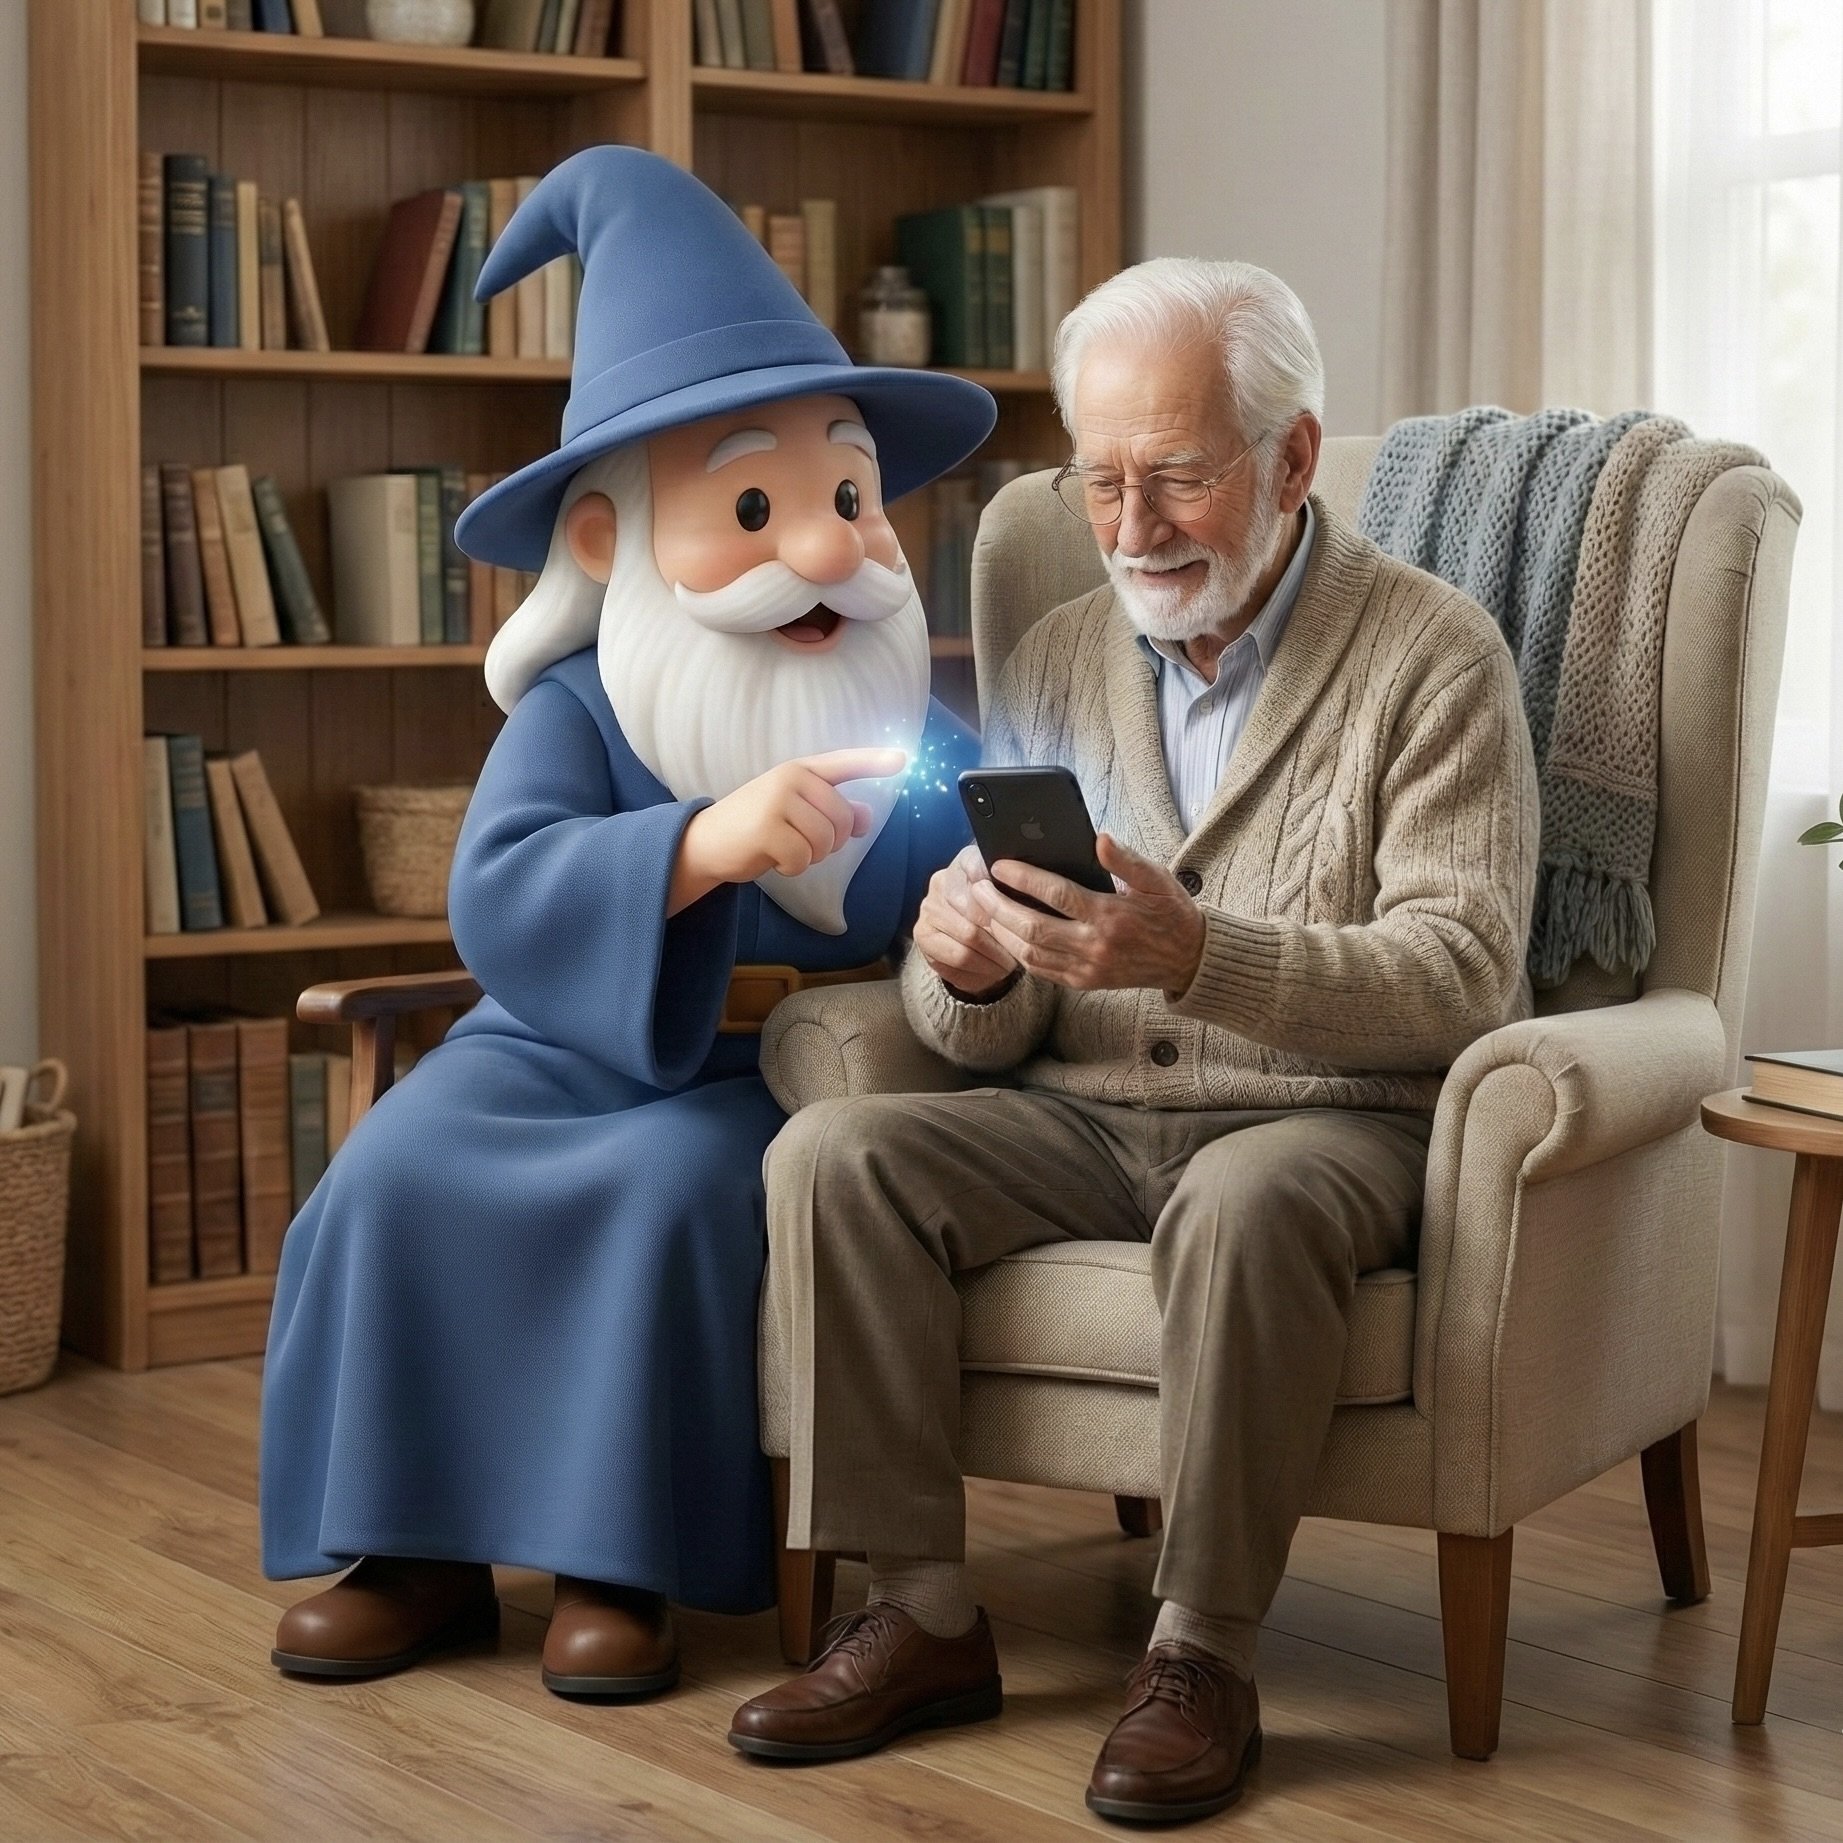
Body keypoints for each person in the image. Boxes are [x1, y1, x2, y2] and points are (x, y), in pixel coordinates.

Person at [733, 258, 1540, 1824]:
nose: (1130, 526)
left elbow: (1464, 979)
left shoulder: (1436, 659)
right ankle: (918, 1614)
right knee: (835, 1153)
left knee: (1245, 1199)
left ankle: (1200, 1655)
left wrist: (1203, 956)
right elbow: (990, 1024)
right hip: (1086, 1119)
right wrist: (964, 968)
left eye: (1173, 476)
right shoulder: (1052, 658)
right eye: (1099, 481)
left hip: (1328, 1123)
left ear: (1290, 459)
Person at [259, 146, 992, 1699]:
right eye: (755, 504)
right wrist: (694, 847)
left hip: (764, 1074)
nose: (826, 551)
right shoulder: (582, 711)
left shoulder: (908, 731)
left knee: (665, 1206)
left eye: (849, 497)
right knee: (387, 1175)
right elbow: (496, 887)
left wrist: (983, 908)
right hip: (547, 1047)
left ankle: (619, 1563)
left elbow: (977, 881)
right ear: (609, 541)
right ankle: (410, 1554)